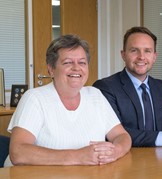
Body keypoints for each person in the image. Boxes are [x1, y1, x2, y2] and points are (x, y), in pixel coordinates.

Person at [4, 34, 131, 166]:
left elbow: (122, 136)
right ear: (51, 69)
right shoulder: (35, 98)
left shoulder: (95, 95)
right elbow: (18, 152)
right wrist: (79, 156)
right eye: (68, 62)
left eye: (82, 62)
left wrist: (115, 151)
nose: (76, 68)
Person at [93, 26, 162, 147]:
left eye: (147, 51)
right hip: (125, 159)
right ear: (123, 54)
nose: (141, 57)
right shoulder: (105, 88)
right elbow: (116, 134)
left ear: (154, 56)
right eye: (134, 50)